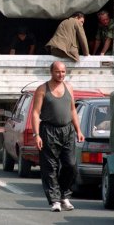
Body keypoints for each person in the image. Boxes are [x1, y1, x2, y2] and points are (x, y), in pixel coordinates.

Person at [31, 61, 84, 212]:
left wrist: (78, 130)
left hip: (67, 131)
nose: (60, 75)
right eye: (57, 72)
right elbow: (35, 113)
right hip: (48, 131)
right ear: (51, 72)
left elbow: (73, 110)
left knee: (71, 165)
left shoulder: (69, 87)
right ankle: (55, 200)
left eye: (63, 72)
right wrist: (36, 135)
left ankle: (64, 195)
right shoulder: (42, 89)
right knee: (50, 167)